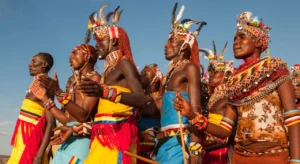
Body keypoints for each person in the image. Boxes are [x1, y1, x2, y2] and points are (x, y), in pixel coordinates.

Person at [173, 11, 300, 164]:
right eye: (234, 38)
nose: (235, 42)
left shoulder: (275, 68)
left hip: (274, 156)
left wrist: (295, 160)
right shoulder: (234, 81)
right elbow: (224, 130)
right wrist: (193, 116)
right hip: (241, 157)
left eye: (242, 37)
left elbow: (292, 118)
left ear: (259, 42)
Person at [72, 5, 146, 163]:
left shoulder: (123, 63)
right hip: (102, 133)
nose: (97, 45)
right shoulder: (107, 72)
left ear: (113, 41)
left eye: (100, 39)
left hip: (118, 133)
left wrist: (106, 93)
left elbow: (141, 99)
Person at [154, 2, 206, 164]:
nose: (165, 45)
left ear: (184, 47)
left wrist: (195, 148)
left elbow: (196, 110)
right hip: (165, 144)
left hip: (180, 144)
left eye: (171, 41)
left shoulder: (190, 67)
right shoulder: (171, 73)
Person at [31, 44, 100, 163]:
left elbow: (83, 116)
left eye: (75, 53)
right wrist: (45, 99)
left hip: (82, 141)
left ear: (87, 56)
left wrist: (57, 91)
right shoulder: (73, 82)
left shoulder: (94, 78)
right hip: (67, 138)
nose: (70, 57)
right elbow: (66, 120)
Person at [8, 53, 55, 164]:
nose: (30, 65)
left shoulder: (46, 86)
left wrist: (38, 156)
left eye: (34, 61)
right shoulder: (36, 83)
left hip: (31, 140)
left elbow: (50, 122)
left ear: (44, 64)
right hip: (22, 138)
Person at [199, 41, 235, 164]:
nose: (210, 75)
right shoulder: (214, 97)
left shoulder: (230, 96)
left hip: (220, 151)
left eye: (215, 71)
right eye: (210, 71)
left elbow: (233, 129)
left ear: (227, 75)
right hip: (209, 149)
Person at [137, 63, 162, 162]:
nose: (140, 76)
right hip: (135, 149)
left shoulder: (161, 101)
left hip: (153, 153)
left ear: (155, 79)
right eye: (141, 73)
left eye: (145, 73)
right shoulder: (136, 101)